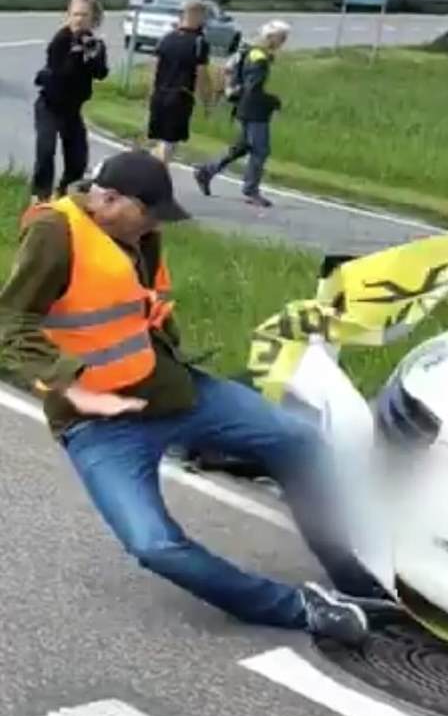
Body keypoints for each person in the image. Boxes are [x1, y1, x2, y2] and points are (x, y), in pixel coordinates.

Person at [0, 149, 390, 645]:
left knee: (300, 440)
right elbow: (11, 323)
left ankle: (355, 577)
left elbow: (137, 307)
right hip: (98, 424)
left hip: (172, 391)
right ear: (109, 198)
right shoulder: (54, 233)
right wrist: (76, 386)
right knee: (153, 545)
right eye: (148, 216)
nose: (153, 228)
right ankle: (300, 609)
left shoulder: (138, 233)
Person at [194, 20, 290, 208]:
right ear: (271, 37)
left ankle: (206, 171)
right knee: (260, 150)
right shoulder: (259, 58)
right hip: (254, 110)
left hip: (244, 106)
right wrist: (273, 102)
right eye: (282, 37)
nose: (284, 42)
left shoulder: (252, 51)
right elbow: (252, 89)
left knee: (242, 147)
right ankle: (251, 190)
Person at [32, 0, 108, 204]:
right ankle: (40, 196)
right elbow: (60, 72)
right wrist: (76, 52)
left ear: (93, 18)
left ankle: (65, 195)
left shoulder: (94, 43)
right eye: (75, 14)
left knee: (77, 159)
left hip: (72, 109)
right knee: (46, 150)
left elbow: (101, 73)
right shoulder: (61, 39)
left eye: (84, 15)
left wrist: (92, 57)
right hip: (49, 105)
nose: (79, 19)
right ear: (68, 15)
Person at [148, 0, 213, 163]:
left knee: (159, 140)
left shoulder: (166, 38)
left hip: (159, 94)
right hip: (180, 96)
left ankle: (150, 173)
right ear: (198, 16)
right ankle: (158, 178)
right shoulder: (199, 42)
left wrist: (150, 94)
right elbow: (201, 75)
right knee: (169, 143)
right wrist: (206, 101)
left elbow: (154, 69)